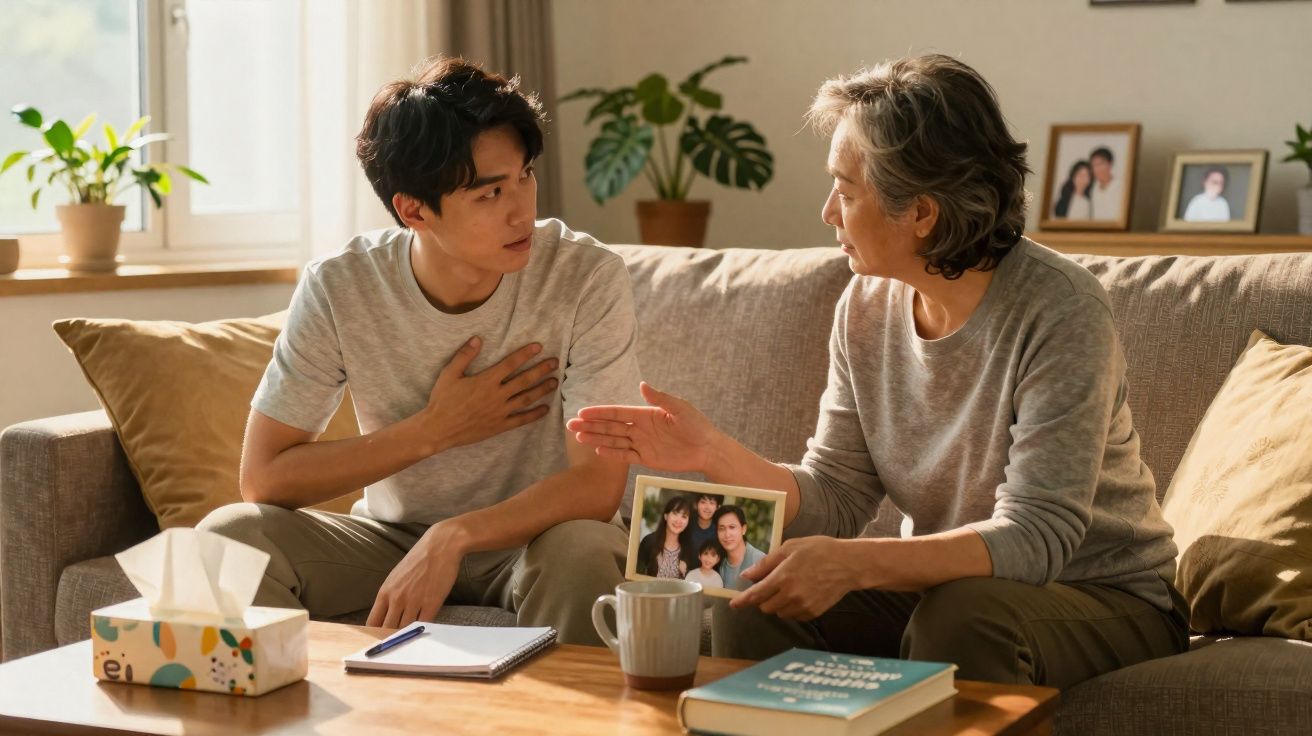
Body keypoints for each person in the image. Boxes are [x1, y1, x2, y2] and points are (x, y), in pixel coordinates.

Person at [568, 54, 1187, 689]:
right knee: (759, 599)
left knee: (963, 618)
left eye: (847, 188)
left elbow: (1038, 535)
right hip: (951, 585)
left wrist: (856, 566)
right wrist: (711, 452)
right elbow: (836, 497)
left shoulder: (1061, 309)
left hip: (1101, 594)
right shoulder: (865, 306)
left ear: (922, 212)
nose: (827, 212)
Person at [196, 56, 644, 647]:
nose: (523, 210)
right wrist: (433, 430)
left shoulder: (586, 277)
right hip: (390, 541)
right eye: (489, 193)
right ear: (413, 210)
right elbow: (264, 480)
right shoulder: (341, 287)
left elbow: (596, 485)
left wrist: (454, 535)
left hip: (540, 542)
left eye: (525, 175)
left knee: (586, 548)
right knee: (230, 539)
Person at [636, 495, 695, 579]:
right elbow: (636, 575)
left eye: (684, 516)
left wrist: (686, 573)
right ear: (666, 516)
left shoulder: (689, 549)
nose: (678, 520)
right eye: (675, 513)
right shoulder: (649, 541)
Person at [714, 505, 766, 591]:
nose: (727, 534)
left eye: (732, 527)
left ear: (743, 529)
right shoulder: (720, 564)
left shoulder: (760, 561)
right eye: (721, 528)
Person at [1088, 146, 1123, 221]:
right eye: (1094, 165)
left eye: (1101, 164)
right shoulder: (1094, 187)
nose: (1097, 169)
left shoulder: (1121, 186)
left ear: (1110, 164)